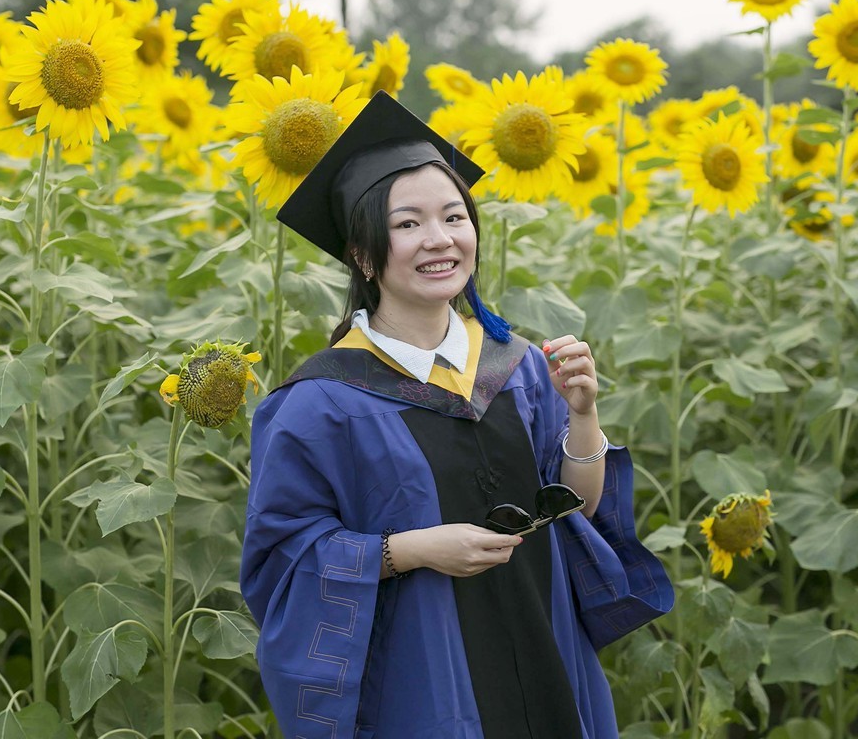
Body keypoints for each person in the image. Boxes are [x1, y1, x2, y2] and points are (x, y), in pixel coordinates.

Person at [240, 91, 673, 739]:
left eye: (453, 216)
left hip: (544, 647)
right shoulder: (321, 402)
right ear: (363, 255)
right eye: (408, 224)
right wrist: (412, 550)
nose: (439, 239)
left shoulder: (517, 366)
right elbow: (284, 561)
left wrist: (583, 415)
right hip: (422, 681)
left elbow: (577, 511)